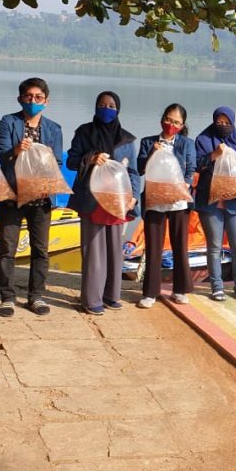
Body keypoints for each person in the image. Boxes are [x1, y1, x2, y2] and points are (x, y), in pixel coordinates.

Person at [0, 77, 63, 317]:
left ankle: (36, 296)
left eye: (38, 98)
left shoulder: (54, 129)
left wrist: (49, 159)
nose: (33, 101)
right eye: (28, 97)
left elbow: (59, 162)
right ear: (20, 98)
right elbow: (1, 156)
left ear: (46, 101)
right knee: (7, 248)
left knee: (40, 250)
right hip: (12, 195)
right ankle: (7, 297)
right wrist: (16, 150)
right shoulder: (9, 122)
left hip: (41, 198)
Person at [67, 91, 139, 314]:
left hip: (117, 200)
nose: (106, 109)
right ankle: (91, 299)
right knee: (94, 250)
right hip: (92, 199)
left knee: (114, 250)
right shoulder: (84, 132)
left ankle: (111, 295)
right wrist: (90, 158)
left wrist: (133, 196)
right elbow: (71, 160)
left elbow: (134, 172)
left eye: (111, 105)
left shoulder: (127, 139)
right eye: (101, 104)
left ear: (118, 109)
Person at [137, 103, 196, 308]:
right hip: (154, 201)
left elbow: (191, 170)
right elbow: (140, 169)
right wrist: (152, 153)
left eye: (176, 122)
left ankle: (179, 290)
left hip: (178, 201)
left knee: (180, 245)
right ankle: (150, 293)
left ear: (182, 125)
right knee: (153, 246)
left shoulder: (187, 144)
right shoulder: (148, 142)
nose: (171, 124)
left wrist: (184, 185)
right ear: (162, 119)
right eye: (169, 119)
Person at [195, 107, 236, 301]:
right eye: (218, 122)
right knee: (214, 247)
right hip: (210, 202)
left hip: (235, 200)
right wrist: (214, 155)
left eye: (226, 123)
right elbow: (196, 164)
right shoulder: (203, 140)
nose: (222, 126)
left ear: (232, 123)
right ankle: (216, 286)